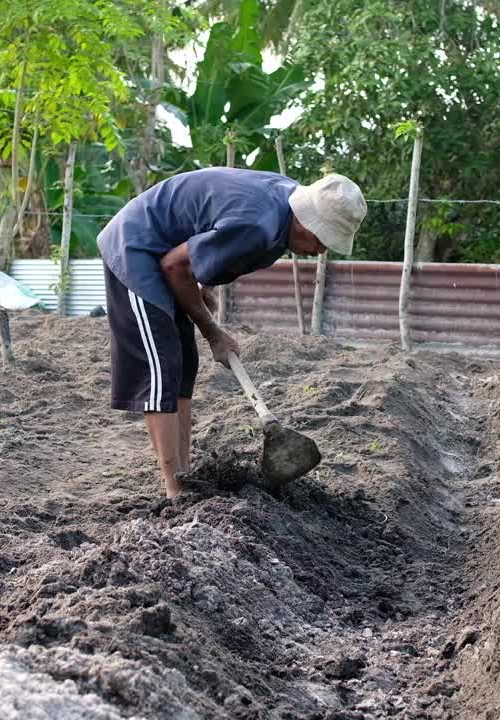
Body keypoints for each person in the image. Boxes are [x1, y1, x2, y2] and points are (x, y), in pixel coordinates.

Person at [97, 167, 367, 498]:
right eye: (322, 239)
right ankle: (175, 490)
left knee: (183, 366)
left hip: (165, 258)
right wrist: (213, 333)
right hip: (137, 250)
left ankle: (186, 475)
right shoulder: (257, 226)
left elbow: (207, 235)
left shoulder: (285, 205)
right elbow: (173, 265)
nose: (321, 251)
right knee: (162, 371)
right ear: (306, 220)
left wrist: (200, 284)